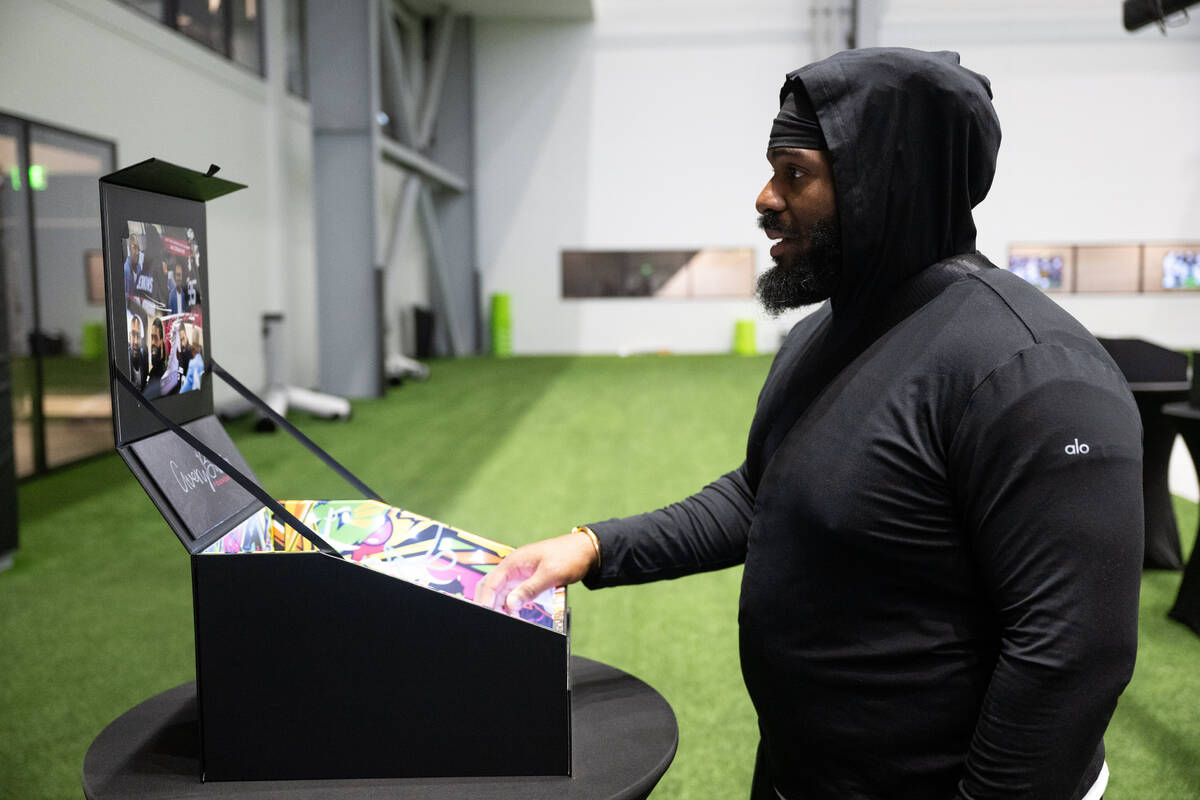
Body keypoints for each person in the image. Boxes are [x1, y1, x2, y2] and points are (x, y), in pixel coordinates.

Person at [476, 48, 1143, 800]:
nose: (764, 197)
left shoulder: (1032, 372)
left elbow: (1070, 657)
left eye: (795, 172)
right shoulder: (823, 337)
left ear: (879, 182)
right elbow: (768, 494)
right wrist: (592, 548)